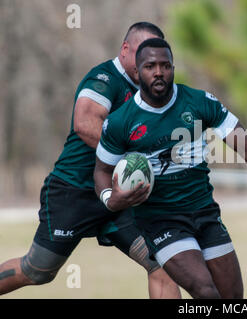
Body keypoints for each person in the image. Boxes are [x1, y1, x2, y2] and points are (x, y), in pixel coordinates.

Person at [94, 37, 247, 299]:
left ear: (173, 67)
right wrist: (111, 199)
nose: (159, 72)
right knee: (205, 291)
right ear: (137, 72)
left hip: (205, 214)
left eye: (166, 65)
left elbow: (243, 143)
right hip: (161, 222)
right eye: (151, 66)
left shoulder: (197, 102)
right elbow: (102, 171)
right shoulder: (120, 121)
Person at [0, 22, 180, 299]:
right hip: (75, 191)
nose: (151, 64)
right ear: (125, 50)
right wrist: (129, 158)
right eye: (143, 55)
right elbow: (85, 123)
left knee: (163, 264)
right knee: (37, 271)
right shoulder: (104, 79)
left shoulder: (155, 92)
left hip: (121, 199)